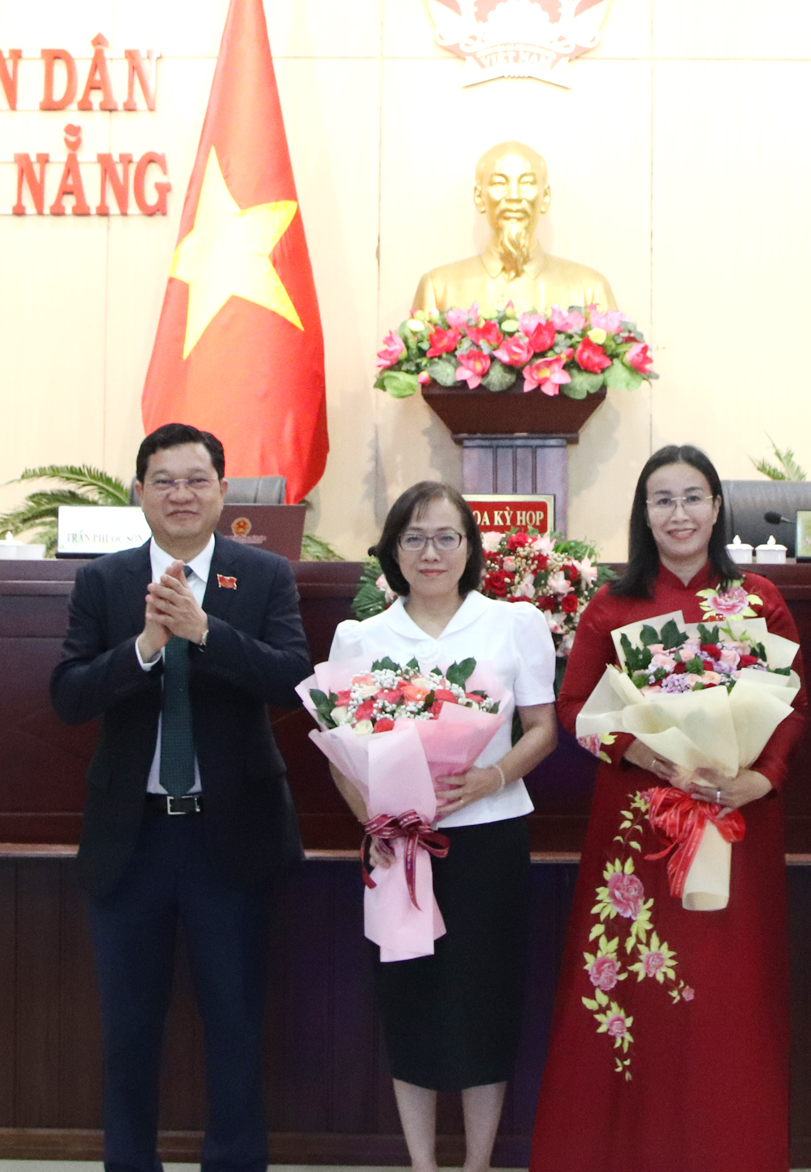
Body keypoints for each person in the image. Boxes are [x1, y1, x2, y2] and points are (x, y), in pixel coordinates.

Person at [530, 444, 805, 1172]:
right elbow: (572, 705)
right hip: (639, 823)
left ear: (717, 506)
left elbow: (794, 706)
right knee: (639, 996)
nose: (678, 513)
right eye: (663, 499)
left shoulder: (759, 599)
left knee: (727, 992)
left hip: (734, 815)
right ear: (643, 514)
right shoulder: (613, 604)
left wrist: (763, 776)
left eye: (693, 497)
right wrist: (644, 752)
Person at [49, 422, 311, 1172]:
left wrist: (205, 633)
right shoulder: (103, 583)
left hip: (231, 838)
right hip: (132, 842)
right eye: (163, 480)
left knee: (235, 1025)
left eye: (197, 479)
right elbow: (67, 696)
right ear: (139, 494)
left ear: (225, 491)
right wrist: (144, 648)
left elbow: (295, 681)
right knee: (129, 1031)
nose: (181, 494)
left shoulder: (264, 578)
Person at [323, 481, 558, 1172]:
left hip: (490, 837)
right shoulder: (361, 635)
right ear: (394, 550)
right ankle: (423, 1163)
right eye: (415, 538)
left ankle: (478, 1162)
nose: (432, 552)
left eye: (447, 536)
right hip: (398, 846)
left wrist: (493, 775)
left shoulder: (513, 623)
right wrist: (373, 810)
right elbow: (338, 744)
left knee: (485, 999)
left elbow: (542, 729)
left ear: (470, 546)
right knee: (411, 1000)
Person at [411, 140, 616, 315]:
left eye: (527, 183)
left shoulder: (589, 290)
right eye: (499, 184)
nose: (514, 196)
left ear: (545, 198)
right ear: (479, 197)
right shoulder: (439, 289)